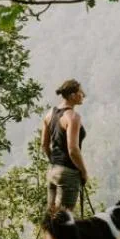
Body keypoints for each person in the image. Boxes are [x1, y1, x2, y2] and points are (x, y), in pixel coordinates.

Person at [42, 79, 88, 212]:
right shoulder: (73, 117)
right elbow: (73, 149)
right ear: (72, 96)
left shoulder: (49, 114)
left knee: (51, 219)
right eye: (81, 92)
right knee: (63, 220)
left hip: (53, 171)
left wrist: (55, 162)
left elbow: (44, 145)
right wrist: (83, 172)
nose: (83, 95)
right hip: (68, 173)